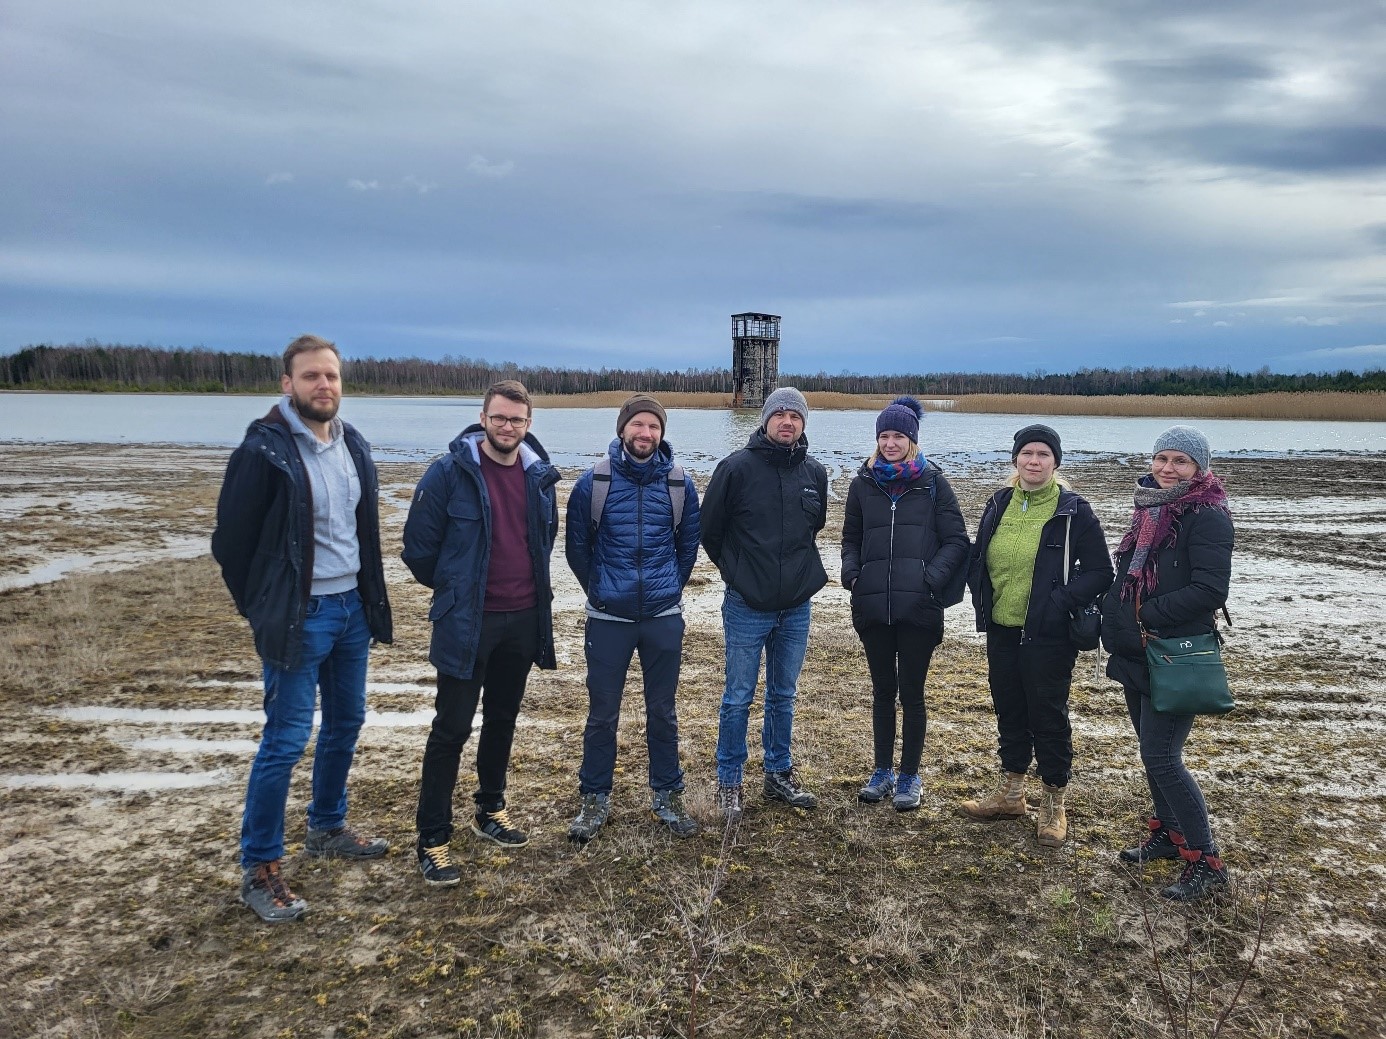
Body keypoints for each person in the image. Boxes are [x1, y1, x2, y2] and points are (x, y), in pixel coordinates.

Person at [212, 334, 393, 924]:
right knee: (287, 739)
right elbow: (231, 544)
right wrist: (264, 607)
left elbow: (363, 532)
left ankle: (327, 826)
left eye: (331, 376)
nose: (324, 385)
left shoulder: (352, 445)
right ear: (287, 384)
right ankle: (260, 866)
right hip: (300, 616)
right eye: (312, 376)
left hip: (350, 611)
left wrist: (367, 601)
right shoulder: (263, 451)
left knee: (346, 723)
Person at [402, 380, 559, 887]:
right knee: (451, 728)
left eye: (516, 419)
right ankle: (433, 837)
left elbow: (544, 539)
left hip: (523, 617)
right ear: (483, 418)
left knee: (502, 719)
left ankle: (490, 809)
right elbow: (418, 549)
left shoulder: (538, 476)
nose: (507, 427)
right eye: (499, 418)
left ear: (528, 423)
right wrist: (458, 589)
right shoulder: (449, 473)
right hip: (467, 622)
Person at [960, 424, 1114, 847]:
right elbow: (980, 556)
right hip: (1002, 628)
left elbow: (1101, 571)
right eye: (1027, 453)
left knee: (1047, 716)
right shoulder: (999, 502)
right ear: (1015, 459)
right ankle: (1011, 795)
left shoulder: (1074, 511)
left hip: (1049, 634)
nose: (1034, 461)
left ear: (1055, 462)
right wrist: (979, 592)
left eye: (1043, 454)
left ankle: (1053, 803)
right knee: (1009, 709)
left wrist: (1059, 602)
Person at [1102, 425, 1233, 901]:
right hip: (1138, 651)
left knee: (1163, 756)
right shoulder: (1148, 509)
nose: (1167, 468)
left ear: (1199, 468)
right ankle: (1169, 835)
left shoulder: (1207, 515)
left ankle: (1207, 861)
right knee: (1150, 751)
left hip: (1176, 654)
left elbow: (1210, 591)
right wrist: (1115, 614)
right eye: (1162, 458)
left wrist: (1144, 614)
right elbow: (1128, 576)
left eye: (1180, 461)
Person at [564, 394, 702, 843]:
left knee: (663, 711)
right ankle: (594, 799)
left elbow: (688, 547)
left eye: (654, 426)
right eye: (638, 425)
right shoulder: (593, 483)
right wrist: (601, 592)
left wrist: (669, 589)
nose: (646, 433)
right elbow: (577, 549)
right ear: (623, 429)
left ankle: (668, 795)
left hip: (663, 618)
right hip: (608, 620)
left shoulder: (680, 484)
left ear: (662, 433)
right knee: (602, 715)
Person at [701, 387, 828, 817]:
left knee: (783, 694)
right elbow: (710, 532)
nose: (787, 422)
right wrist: (738, 574)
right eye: (780, 414)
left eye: (795, 416)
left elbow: (814, 527)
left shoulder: (814, 473)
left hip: (796, 605)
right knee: (738, 696)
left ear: (803, 423)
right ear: (766, 419)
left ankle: (778, 773)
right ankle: (729, 781)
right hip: (746, 605)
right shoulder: (735, 469)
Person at [840, 397, 969, 812]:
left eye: (898, 436)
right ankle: (882, 771)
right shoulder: (862, 483)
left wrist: (929, 580)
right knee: (882, 691)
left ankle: (910, 776)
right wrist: (853, 575)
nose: (890, 443)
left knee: (912, 694)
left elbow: (956, 541)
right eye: (884, 435)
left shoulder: (933, 483)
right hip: (873, 607)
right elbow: (851, 537)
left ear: (912, 440)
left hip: (919, 609)